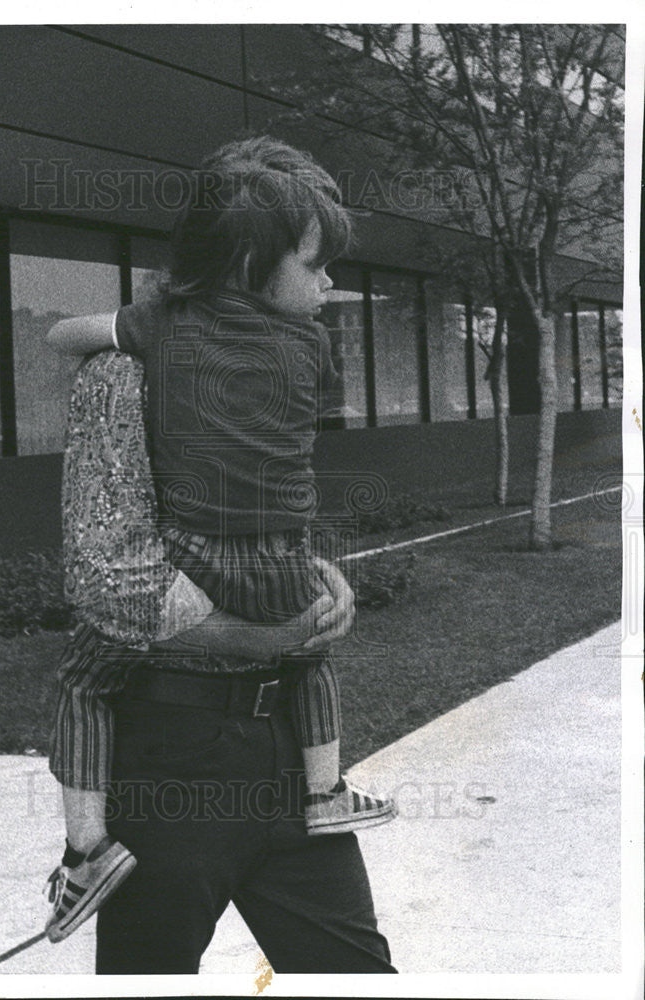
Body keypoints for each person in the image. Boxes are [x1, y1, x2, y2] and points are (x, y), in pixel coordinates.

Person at [45, 137, 397, 969]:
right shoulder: (120, 373)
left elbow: (272, 499)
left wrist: (320, 577)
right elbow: (109, 578)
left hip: (283, 756)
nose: (329, 283)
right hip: (174, 765)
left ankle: (86, 847)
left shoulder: (278, 349)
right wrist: (275, 633)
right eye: (314, 263)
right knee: (148, 978)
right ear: (248, 258)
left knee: (360, 977)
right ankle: (93, 851)